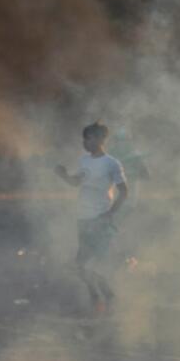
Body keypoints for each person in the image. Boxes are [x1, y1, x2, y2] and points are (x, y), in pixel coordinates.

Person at [55, 122, 127, 315]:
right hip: (83, 218)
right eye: (84, 139)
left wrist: (110, 214)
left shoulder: (111, 163)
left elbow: (124, 191)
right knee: (81, 265)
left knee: (88, 263)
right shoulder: (84, 160)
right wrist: (63, 175)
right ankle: (101, 295)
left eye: (88, 138)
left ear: (100, 139)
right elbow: (76, 182)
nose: (84, 142)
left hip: (99, 219)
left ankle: (102, 297)